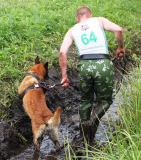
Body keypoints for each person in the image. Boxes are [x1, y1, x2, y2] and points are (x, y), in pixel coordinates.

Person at [59, 6, 125, 143]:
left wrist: (64, 76)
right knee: (105, 101)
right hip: (102, 64)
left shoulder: (72, 30)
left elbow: (62, 53)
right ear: (90, 15)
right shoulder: (99, 20)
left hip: (84, 66)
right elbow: (118, 30)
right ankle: (93, 121)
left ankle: (86, 136)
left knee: (85, 101)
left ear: (77, 19)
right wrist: (120, 47)